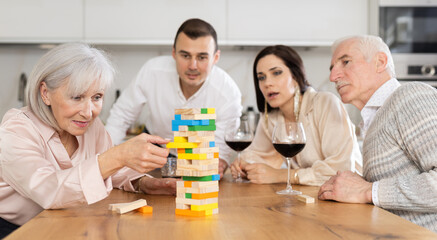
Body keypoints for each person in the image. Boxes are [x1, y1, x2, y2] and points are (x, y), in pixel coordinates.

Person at [0, 43, 177, 238]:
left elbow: (112, 172)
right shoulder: (16, 129)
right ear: (45, 93)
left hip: (63, 222)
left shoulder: (91, 127)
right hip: (15, 230)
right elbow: (49, 191)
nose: (88, 112)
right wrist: (118, 156)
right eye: (76, 97)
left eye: (97, 97)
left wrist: (143, 183)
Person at [318, 35, 437, 232]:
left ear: (380, 62)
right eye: (332, 69)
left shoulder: (410, 97)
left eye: (345, 62)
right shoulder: (375, 120)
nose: (333, 77)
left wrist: (366, 190)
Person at [105, 18, 242, 178]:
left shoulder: (228, 92)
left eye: (202, 57)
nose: (193, 65)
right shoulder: (152, 71)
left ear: (215, 58)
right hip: (154, 150)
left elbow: (221, 147)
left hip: (200, 154)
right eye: (185, 55)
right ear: (174, 53)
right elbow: (121, 116)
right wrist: (105, 157)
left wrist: (218, 163)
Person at [230, 45, 362, 186]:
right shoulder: (271, 117)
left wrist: (283, 175)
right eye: (261, 77)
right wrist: (242, 165)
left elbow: (340, 170)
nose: (267, 83)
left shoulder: (325, 103)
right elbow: (258, 155)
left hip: (350, 196)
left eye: (276, 73)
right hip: (312, 196)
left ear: (295, 76)